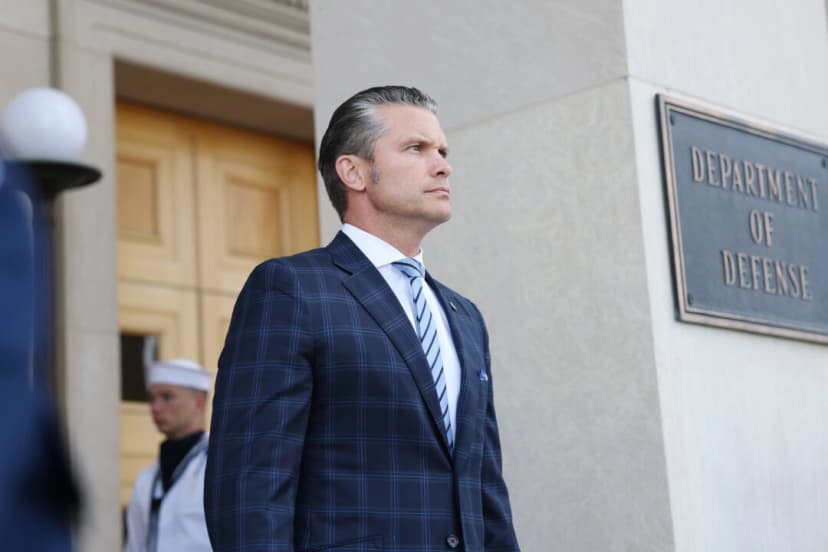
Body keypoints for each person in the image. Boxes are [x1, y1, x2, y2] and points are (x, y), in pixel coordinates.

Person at [205, 86, 520, 551]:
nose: (443, 165)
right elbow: (251, 486)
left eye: (442, 151)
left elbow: (484, 488)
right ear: (353, 171)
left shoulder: (464, 316)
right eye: (416, 148)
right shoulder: (292, 289)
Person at [124, 359, 212, 552]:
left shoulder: (218, 468)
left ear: (200, 402)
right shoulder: (146, 480)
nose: (155, 408)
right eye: (152, 399)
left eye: (167, 397)